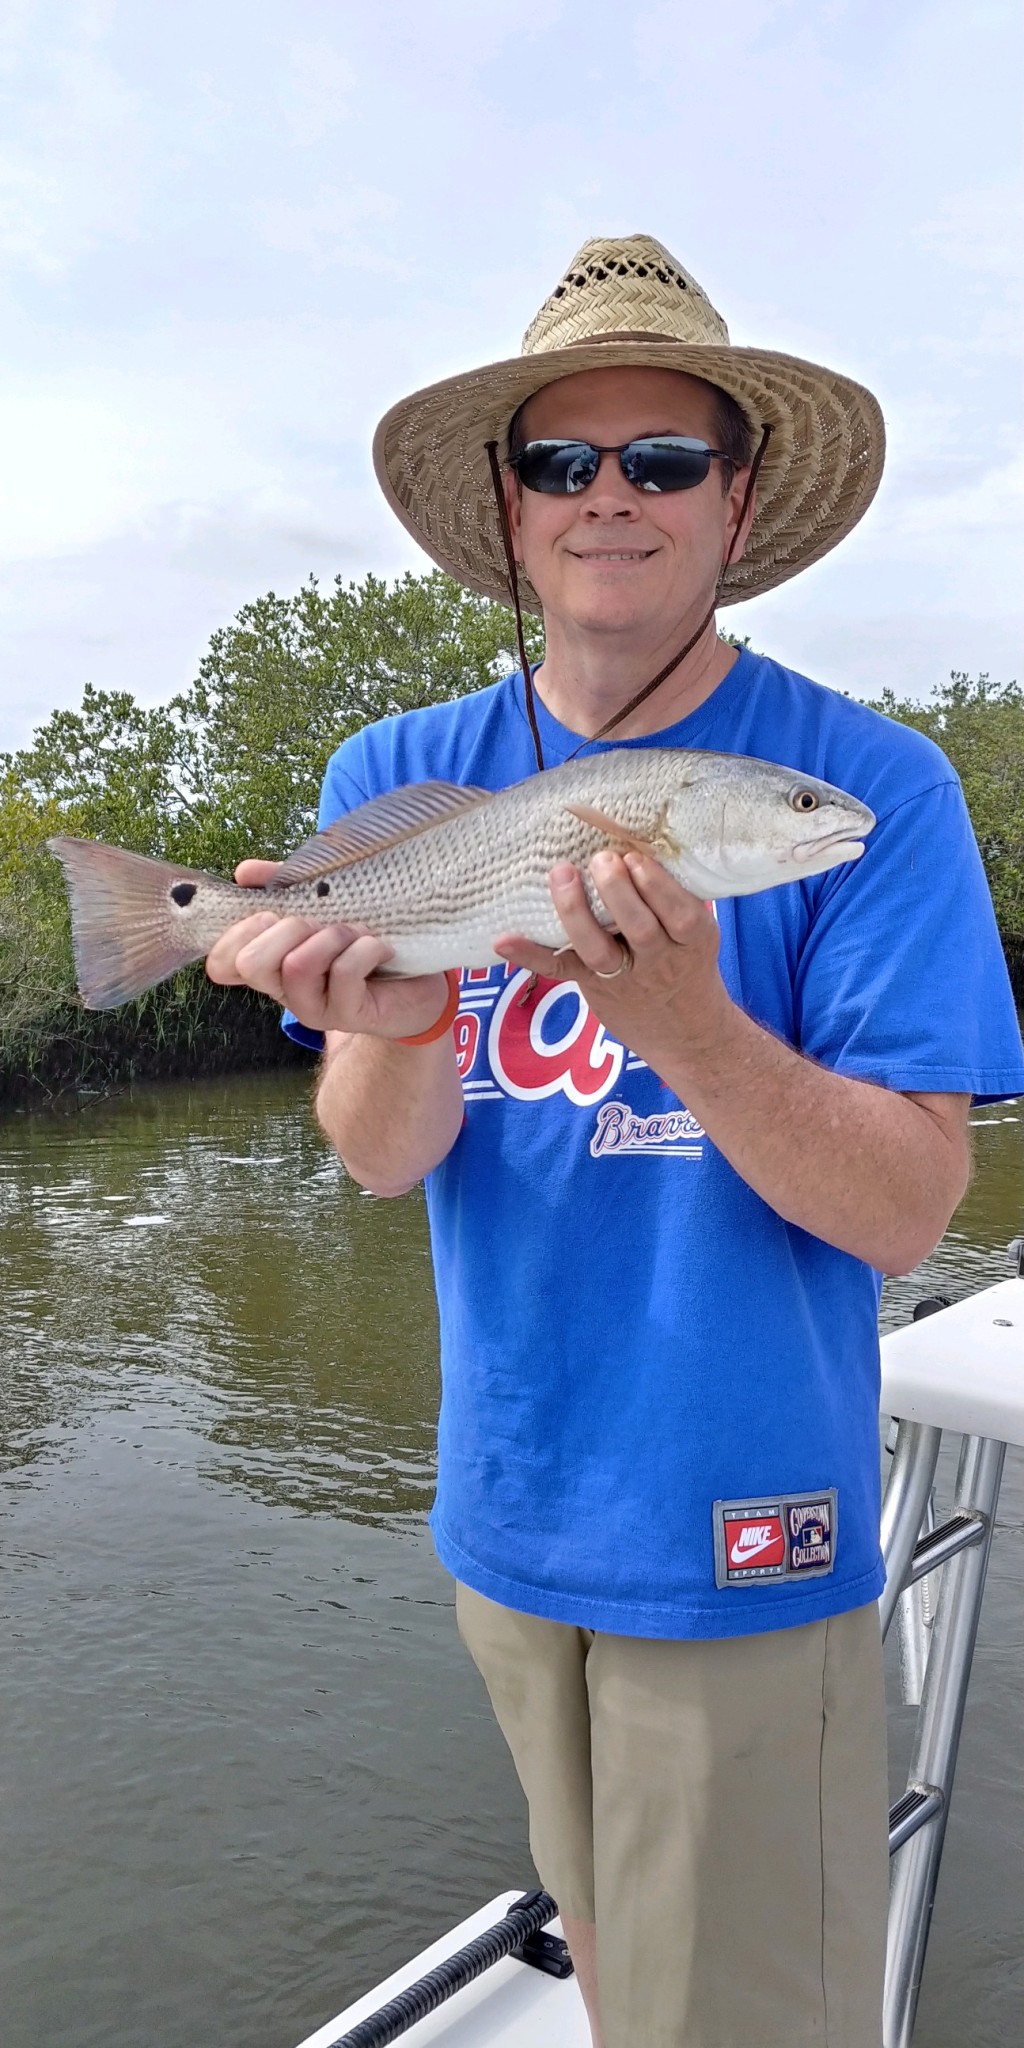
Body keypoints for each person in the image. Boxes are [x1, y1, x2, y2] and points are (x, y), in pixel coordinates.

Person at [206, 235, 1024, 2047]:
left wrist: (693, 1027)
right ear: (509, 508)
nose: (610, 496)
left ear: (740, 500)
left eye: (662, 458)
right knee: (612, 1972)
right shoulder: (393, 776)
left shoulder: (869, 792)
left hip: (746, 1528)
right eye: (562, 460)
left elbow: (906, 1213)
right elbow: (379, 1160)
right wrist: (393, 1022)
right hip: (506, 1519)